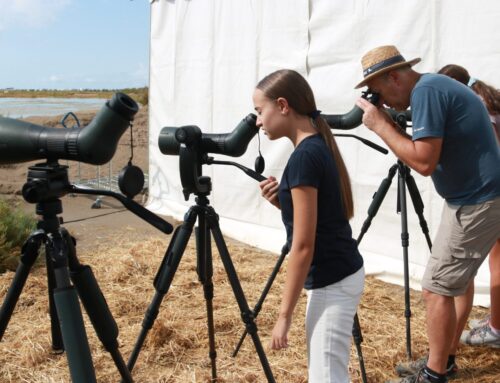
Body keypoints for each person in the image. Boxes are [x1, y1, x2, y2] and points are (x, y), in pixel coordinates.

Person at [354, 46, 500, 383]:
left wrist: (380, 126)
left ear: (394, 76)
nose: (382, 101)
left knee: (436, 288)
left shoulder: (426, 93)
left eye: (378, 92)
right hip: (473, 197)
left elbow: (422, 162)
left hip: (476, 200)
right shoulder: (431, 87)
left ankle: (435, 373)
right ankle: (443, 358)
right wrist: (390, 124)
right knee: (451, 284)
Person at [254, 69, 365, 383]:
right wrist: (283, 201)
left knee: (326, 376)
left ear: (283, 105)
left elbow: (303, 246)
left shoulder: (305, 157)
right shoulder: (314, 147)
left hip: (333, 279)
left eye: (260, 112)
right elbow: (320, 219)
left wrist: (283, 316)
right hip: (337, 274)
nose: (258, 122)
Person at [437, 63, 500, 350]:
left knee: (489, 265)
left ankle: (494, 329)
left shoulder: (474, 106)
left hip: (489, 192)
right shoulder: (487, 99)